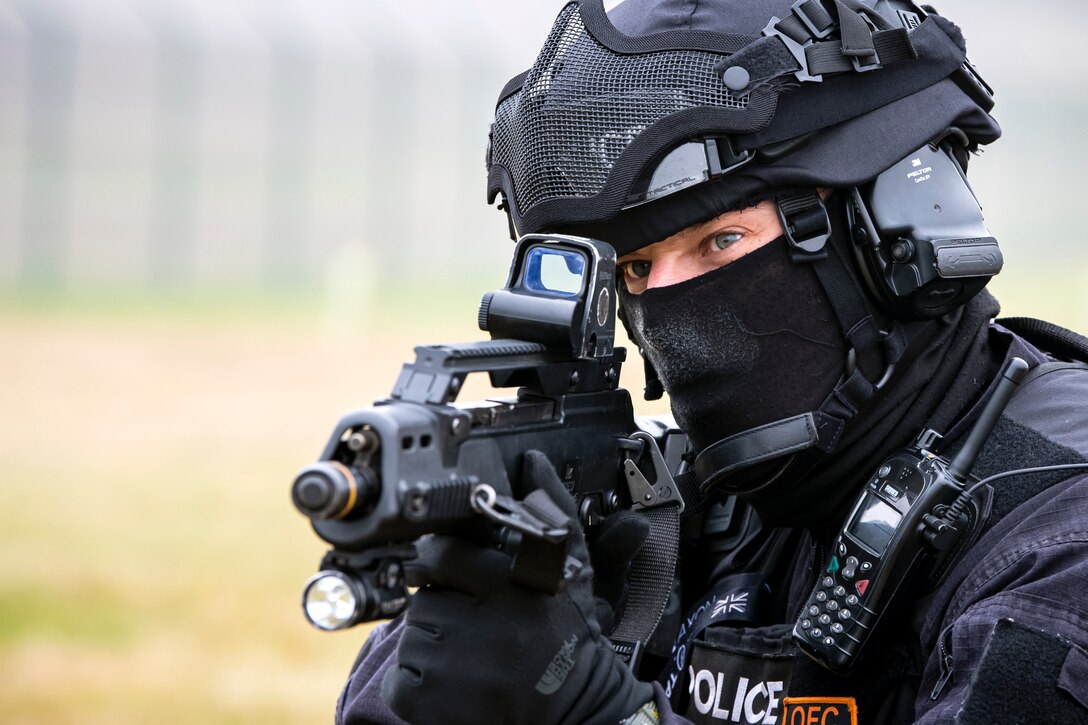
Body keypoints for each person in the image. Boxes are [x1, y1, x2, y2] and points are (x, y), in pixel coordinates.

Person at [337, 0, 1088, 722]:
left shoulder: (1057, 540)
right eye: (635, 267)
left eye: (720, 241)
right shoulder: (678, 510)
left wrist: (598, 713)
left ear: (898, 232)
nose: (668, 303)